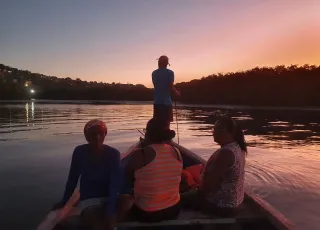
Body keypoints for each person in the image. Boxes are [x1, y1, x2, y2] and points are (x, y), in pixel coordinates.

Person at [52, 119, 123, 229]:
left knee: (128, 200)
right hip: (89, 199)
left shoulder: (113, 154)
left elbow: (114, 184)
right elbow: (72, 179)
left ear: (105, 134)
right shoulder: (79, 152)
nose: (98, 138)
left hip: (109, 197)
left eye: (101, 134)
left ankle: (110, 221)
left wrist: (110, 210)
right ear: (86, 136)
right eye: (93, 134)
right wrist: (64, 201)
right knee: (97, 222)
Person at [182, 116, 247, 217]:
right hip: (234, 202)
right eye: (214, 129)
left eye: (219, 130)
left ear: (230, 133)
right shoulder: (237, 147)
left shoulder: (225, 153)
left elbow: (208, 187)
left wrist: (194, 189)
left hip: (221, 205)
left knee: (176, 200)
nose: (214, 133)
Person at [123, 118, 183, 222]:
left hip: (147, 214)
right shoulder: (176, 151)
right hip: (173, 209)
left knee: (123, 199)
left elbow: (126, 179)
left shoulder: (141, 154)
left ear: (148, 133)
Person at [152, 55, 180, 128]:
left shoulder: (154, 73)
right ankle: (166, 137)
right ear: (167, 63)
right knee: (167, 123)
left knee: (157, 122)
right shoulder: (170, 73)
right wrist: (176, 92)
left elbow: (156, 86)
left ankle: (157, 137)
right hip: (166, 102)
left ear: (159, 63)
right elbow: (170, 86)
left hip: (157, 102)